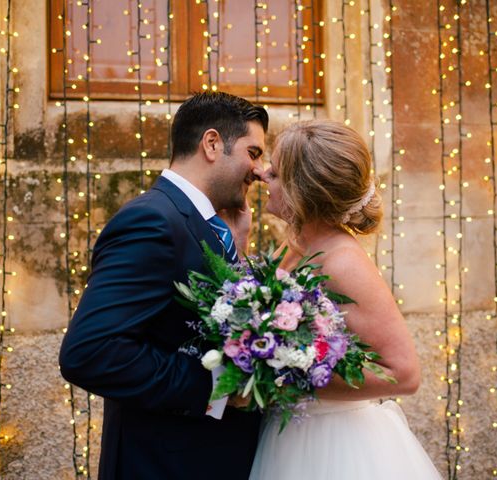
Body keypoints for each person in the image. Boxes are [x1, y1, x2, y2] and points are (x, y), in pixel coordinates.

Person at [58, 91, 268, 479]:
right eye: (253, 153)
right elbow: (90, 352)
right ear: (211, 143)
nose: (259, 170)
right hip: (165, 463)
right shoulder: (152, 221)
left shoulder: (203, 223)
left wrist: (236, 253)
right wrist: (215, 385)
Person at [248, 120, 441, 479]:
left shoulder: (343, 261)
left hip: (334, 444)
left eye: (274, 172)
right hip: (287, 435)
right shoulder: (298, 243)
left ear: (300, 190)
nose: (262, 175)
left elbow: (404, 373)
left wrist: (292, 375)